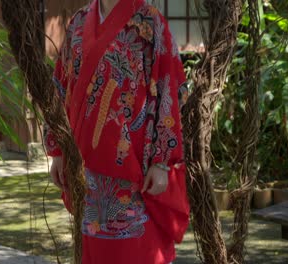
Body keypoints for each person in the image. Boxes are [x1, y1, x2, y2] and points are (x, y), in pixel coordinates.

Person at [44, 0, 190, 263]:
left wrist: (162, 162)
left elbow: (169, 88)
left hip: (134, 169)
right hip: (85, 168)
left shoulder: (151, 23)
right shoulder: (78, 23)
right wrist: (57, 150)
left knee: (137, 250)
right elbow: (61, 87)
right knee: (94, 249)